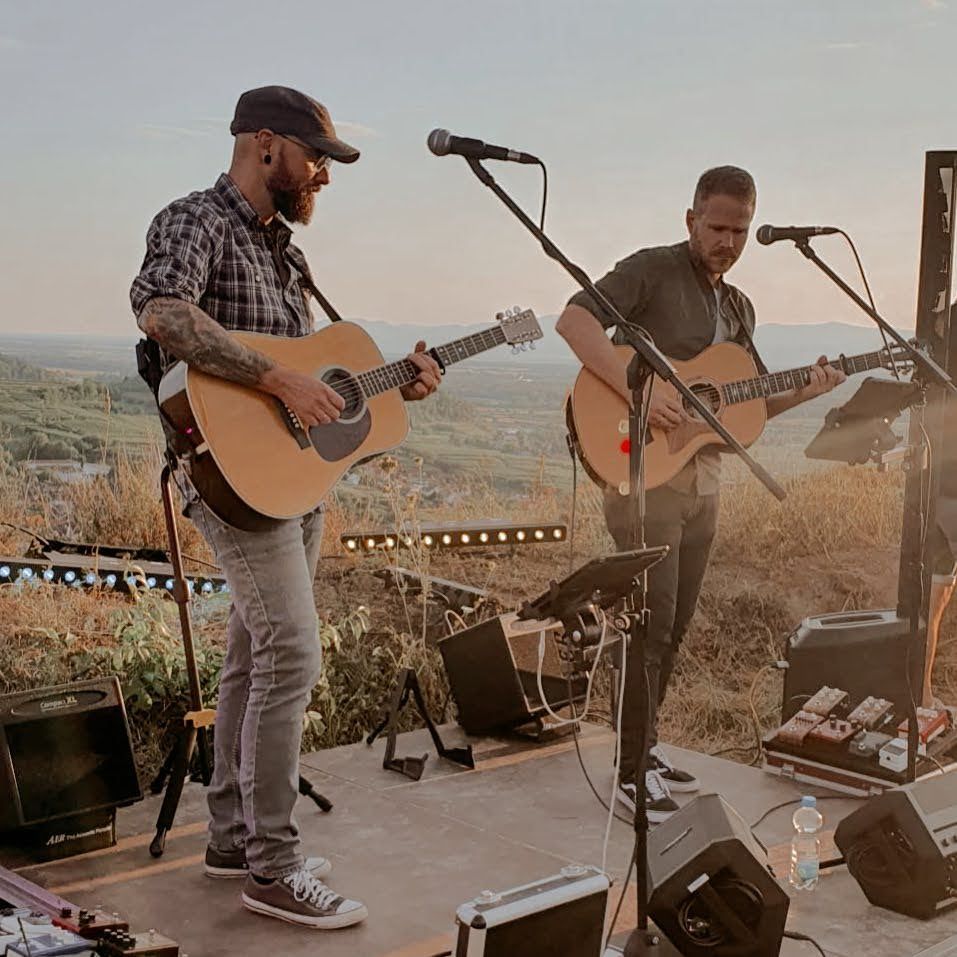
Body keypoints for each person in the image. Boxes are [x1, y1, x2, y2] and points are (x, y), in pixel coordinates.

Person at [130, 85, 441, 929]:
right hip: (229, 478)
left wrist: (399, 380)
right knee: (293, 656)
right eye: (315, 160)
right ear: (265, 145)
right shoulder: (197, 218)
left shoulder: (283, 253)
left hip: (292, 481)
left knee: (252, 659)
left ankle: (233, 837)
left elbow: (315, 377)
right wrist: (273, 379)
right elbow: (160, 309)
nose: (322, 179)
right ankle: (274, 866)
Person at [556, 166, 845, 821]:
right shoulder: (651, 271)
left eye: (739, 230)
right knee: (648, 626)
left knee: (674, 628)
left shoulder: (738, 307)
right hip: (640, 476)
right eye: (716, 227)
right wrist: (639, 388)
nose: (727, 240)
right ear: (690, 219)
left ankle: (645, 750)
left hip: (702, 484)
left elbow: (744, 411)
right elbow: (573, 322)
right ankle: (629, 773)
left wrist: (811, 388)